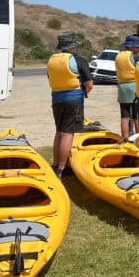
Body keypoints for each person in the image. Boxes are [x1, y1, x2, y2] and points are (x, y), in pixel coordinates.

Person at [47, 31, 93, 178]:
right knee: (68, 133)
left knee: (59, 131)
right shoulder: (79, 60)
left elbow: (50, 78)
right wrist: (84, 93)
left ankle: (56, 163)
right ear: (73, 47)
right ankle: (62, 168)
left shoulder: (52, 60)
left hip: (56, 99)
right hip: (74, 99)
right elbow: (89, 83)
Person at [115, 35, 139, 139]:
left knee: (124, 116)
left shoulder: (118, 56)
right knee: (137, 116)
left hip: (122, 87)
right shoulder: (135, 57)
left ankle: (125, 139)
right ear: (131, 46)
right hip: (134, 87)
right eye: (138, 47)